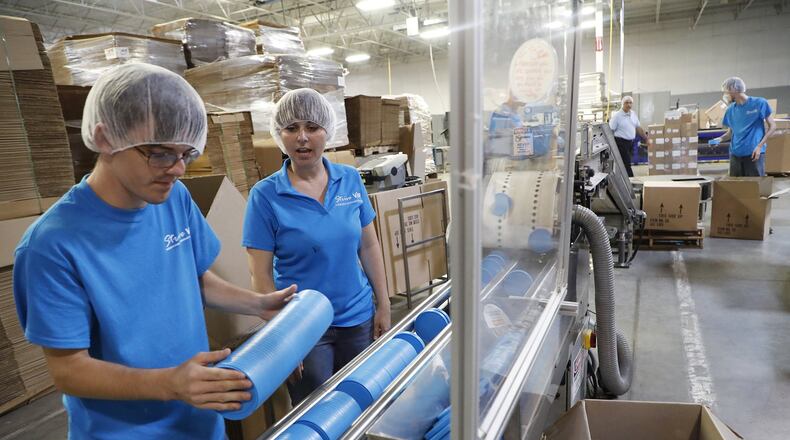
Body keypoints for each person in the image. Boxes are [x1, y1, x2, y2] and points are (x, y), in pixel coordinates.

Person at [12, 64, 297, 439]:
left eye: (186, 154)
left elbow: (192, 279)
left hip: (199, 419)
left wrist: (258, 304)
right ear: (105, 138)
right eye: (161, 153)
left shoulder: (172, 198)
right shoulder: (52, 246)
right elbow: (68, 371)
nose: (177, 169)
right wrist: (171, 384)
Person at [243, 88, 390, 405]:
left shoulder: (350, 179)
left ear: (328, 131)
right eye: (291, 128)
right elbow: (260, 274)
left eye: (312, 127)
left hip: (357, 317)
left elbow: (369, 245)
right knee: (315, 413)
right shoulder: (265, 195)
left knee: (361, 401)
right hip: (303, 326)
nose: (302, 137)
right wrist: (279, 336)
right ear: (279, 134)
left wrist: (384, 303)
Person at [712, 77, 776, 176]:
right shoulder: (730, 110)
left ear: (733, 89)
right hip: (735, 155)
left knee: (754, 188)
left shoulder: (759, 103)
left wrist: (759, 146)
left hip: (754, 154)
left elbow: (773, 126)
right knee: (736, 189)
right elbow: (730, 133)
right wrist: (719, 139)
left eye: (725, 92)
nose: (724, 96)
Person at [609, 95, 649, 177]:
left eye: (630, 103)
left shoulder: (633, 114)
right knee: (626, 163)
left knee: (625, 162)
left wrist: (646, 138)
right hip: (620, 142)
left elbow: (638, 127)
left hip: (630, 143)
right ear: (622, 104)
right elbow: (611, 130)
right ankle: (630, 180)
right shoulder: (617, 116)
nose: (629, 105)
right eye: (626, 103)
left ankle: (623, 178)